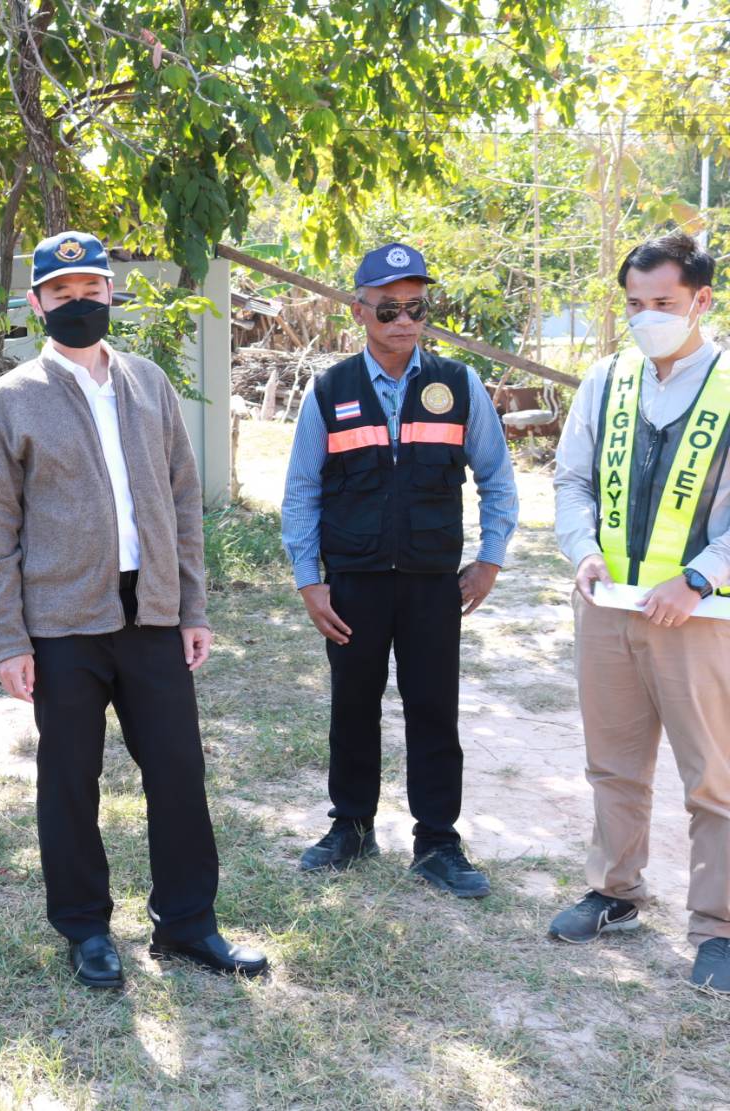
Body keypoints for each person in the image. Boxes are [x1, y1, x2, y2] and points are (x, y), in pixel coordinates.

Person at [0, 230, 268, 988]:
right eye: (62, 292)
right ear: (37, 302)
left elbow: (183, 501)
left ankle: (188, 925)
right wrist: (9, 639)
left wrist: (192, 605)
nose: (78, 302)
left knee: (177, 771)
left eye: (90, 289)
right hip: (62, 623)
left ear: (111, 292)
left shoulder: (149, 382)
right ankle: (86, 929)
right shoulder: (12, 397)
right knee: (70, 780)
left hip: (153, 615)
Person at [280, 242, 518, 897]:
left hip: (431, 582)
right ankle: (352, 826)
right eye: (389, 309)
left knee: (434, 708)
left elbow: (497, 478)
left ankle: (437, 841)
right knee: (352, 705)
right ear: (360, 311)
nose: (405, 321)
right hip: (352, 581)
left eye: (416, 308)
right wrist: (308, 579)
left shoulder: (458, 385)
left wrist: (490, 559)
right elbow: (301, 489)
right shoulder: (330, 390)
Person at [550, 232, 729, 993]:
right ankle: (614, 891)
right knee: (614, 764)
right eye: (634, 303)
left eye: (662, 302)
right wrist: (582, 550)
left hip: (701, 619)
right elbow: (571, 479)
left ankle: (718, 927)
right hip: (608, 608)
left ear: (701, 300)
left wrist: (699, 579)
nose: (646, 316)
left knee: (713, 778)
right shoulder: (607, 379)